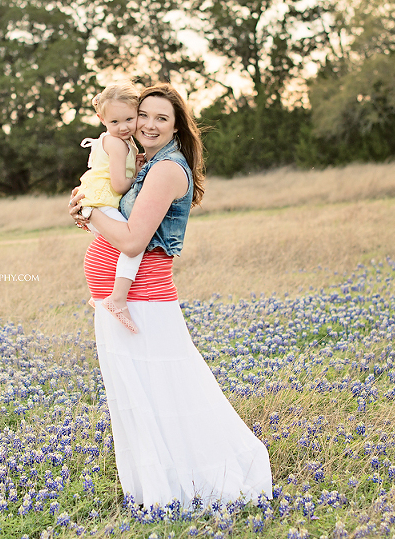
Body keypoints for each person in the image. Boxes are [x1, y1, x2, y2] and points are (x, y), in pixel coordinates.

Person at [69, 82, 273, 510]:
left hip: (143, 302)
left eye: (162, 118)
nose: (147, 124)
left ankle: (195, 487)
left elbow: (132, 241)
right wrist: (87, 214)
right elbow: (121, 220)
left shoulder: (164, 169)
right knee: (144, 399)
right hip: (123, 300)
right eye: (144, 114)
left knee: (167, 394)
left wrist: (90, 210)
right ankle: (161, 491)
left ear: (177, 126)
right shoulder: (144, 161)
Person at [77, 81, 142, 334]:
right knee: (132, 244)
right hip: (101, 202)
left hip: (96, 202)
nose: (123, 127)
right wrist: (138, 175)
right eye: (114, 122)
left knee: (113, 249)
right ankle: (116, 298)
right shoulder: (116, 143)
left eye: (129, 119)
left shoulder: (120, 140)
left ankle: (100, 292)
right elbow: (118, 185)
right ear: (101, 118)